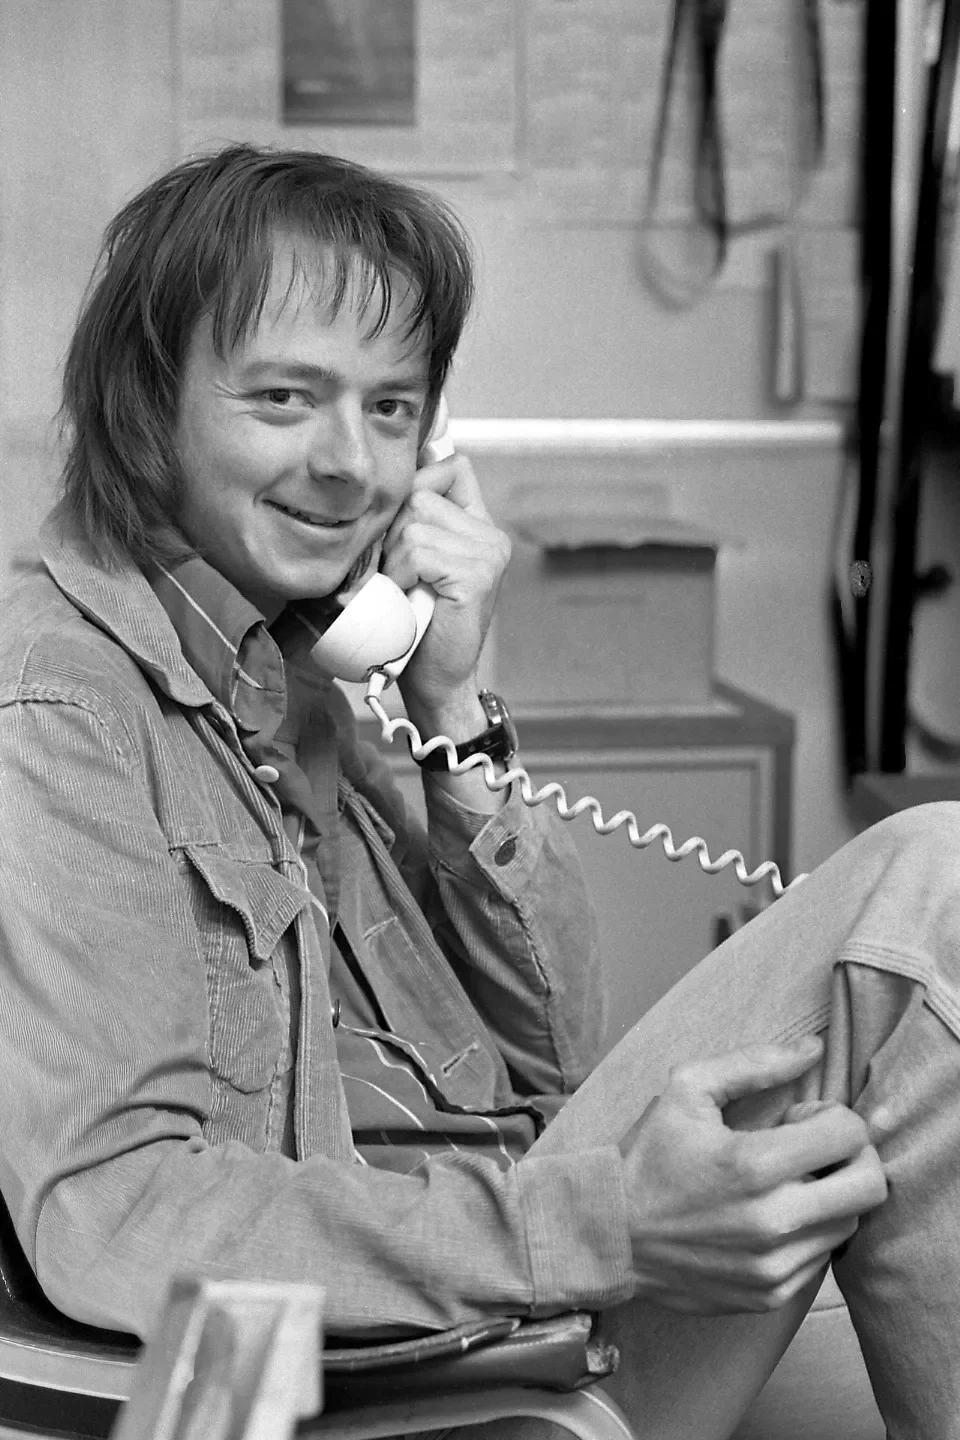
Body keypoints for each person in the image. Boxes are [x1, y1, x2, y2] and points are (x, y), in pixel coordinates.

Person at [0, 143, 957, 1440]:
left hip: (525, 1276)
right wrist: (605, 1223)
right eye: (286, 398)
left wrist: (453, 706)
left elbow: (557, 1053)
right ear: (144, 404)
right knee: (935, 879)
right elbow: (112, 1217)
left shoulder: (298, 679)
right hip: (388, 1369)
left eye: (391, 410)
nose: (351, 464)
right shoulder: (60, 711)